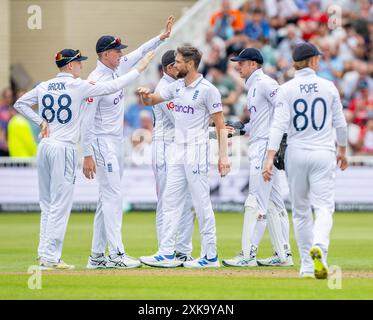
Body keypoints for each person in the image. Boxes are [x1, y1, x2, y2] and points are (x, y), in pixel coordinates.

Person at [13, 48, 154, 270]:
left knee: (47, 204)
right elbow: (112, 86)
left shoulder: (43, 86)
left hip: (45, 145)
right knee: (61, 204)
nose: (81, 66)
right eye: (79, 63)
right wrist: (139, 68)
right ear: (70, 66)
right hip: (64, 147)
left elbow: (19, 104)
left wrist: (40, 121)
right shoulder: (78, 86)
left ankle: (44, 253)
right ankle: (51, 258)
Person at [82, 16, 175, 269]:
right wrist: (87, 154)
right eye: (115, 51)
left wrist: (161, 37)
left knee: (106, 199)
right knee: (113, 197)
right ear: (103, 54)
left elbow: (140, 52)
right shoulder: (95, 81)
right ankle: (117, 254)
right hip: (101, 143)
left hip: (115, 142)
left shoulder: (116, 67)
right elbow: (86, 122)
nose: (120, 55)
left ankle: (97, 256)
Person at [138, 46, 230, 268]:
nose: (174, 66)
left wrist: (223, 157)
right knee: (170, 201)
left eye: (178, 62)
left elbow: (220, 124)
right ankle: (167, 253)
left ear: (190, 64)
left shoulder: (208, 89)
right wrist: (144, 95)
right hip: (177, 150)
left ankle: (210, 256)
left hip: (196, 150)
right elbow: (152, 101)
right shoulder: (176, 87)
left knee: (201, 203)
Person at [262, 42, 348, 279]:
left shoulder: (286, 89)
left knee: (300, 211)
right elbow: (341, 124)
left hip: (296, 152)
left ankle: (307, 267)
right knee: (323, 207)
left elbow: (278, 125)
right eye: (317, 58)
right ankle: (319, 246)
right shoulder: (328, 86)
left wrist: (269, 157)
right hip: (323, 152)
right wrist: (342, 150)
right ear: (312, 61)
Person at [221, 48, 293, 268]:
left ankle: (247, 255)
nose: (237, 66)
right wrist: (241, 129)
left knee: (256, 203)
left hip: (265, 148)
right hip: (261, 144)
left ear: (253, 64)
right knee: (274, 203)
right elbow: (262, 121)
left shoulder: (265, 83)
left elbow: (283, 111)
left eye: (241, 63)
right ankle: (283, 255)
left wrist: (277, 142)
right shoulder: (252, 87)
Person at [152, 50, 195, 263]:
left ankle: (183, 250)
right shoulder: (163, 89)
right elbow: (180, 119)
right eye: (178, 63)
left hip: (177, 146)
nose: (181, 66)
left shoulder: (178, 87)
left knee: (186, 200)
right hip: (164, 146)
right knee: (166, 202)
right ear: (170, 68)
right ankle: (164, 250)